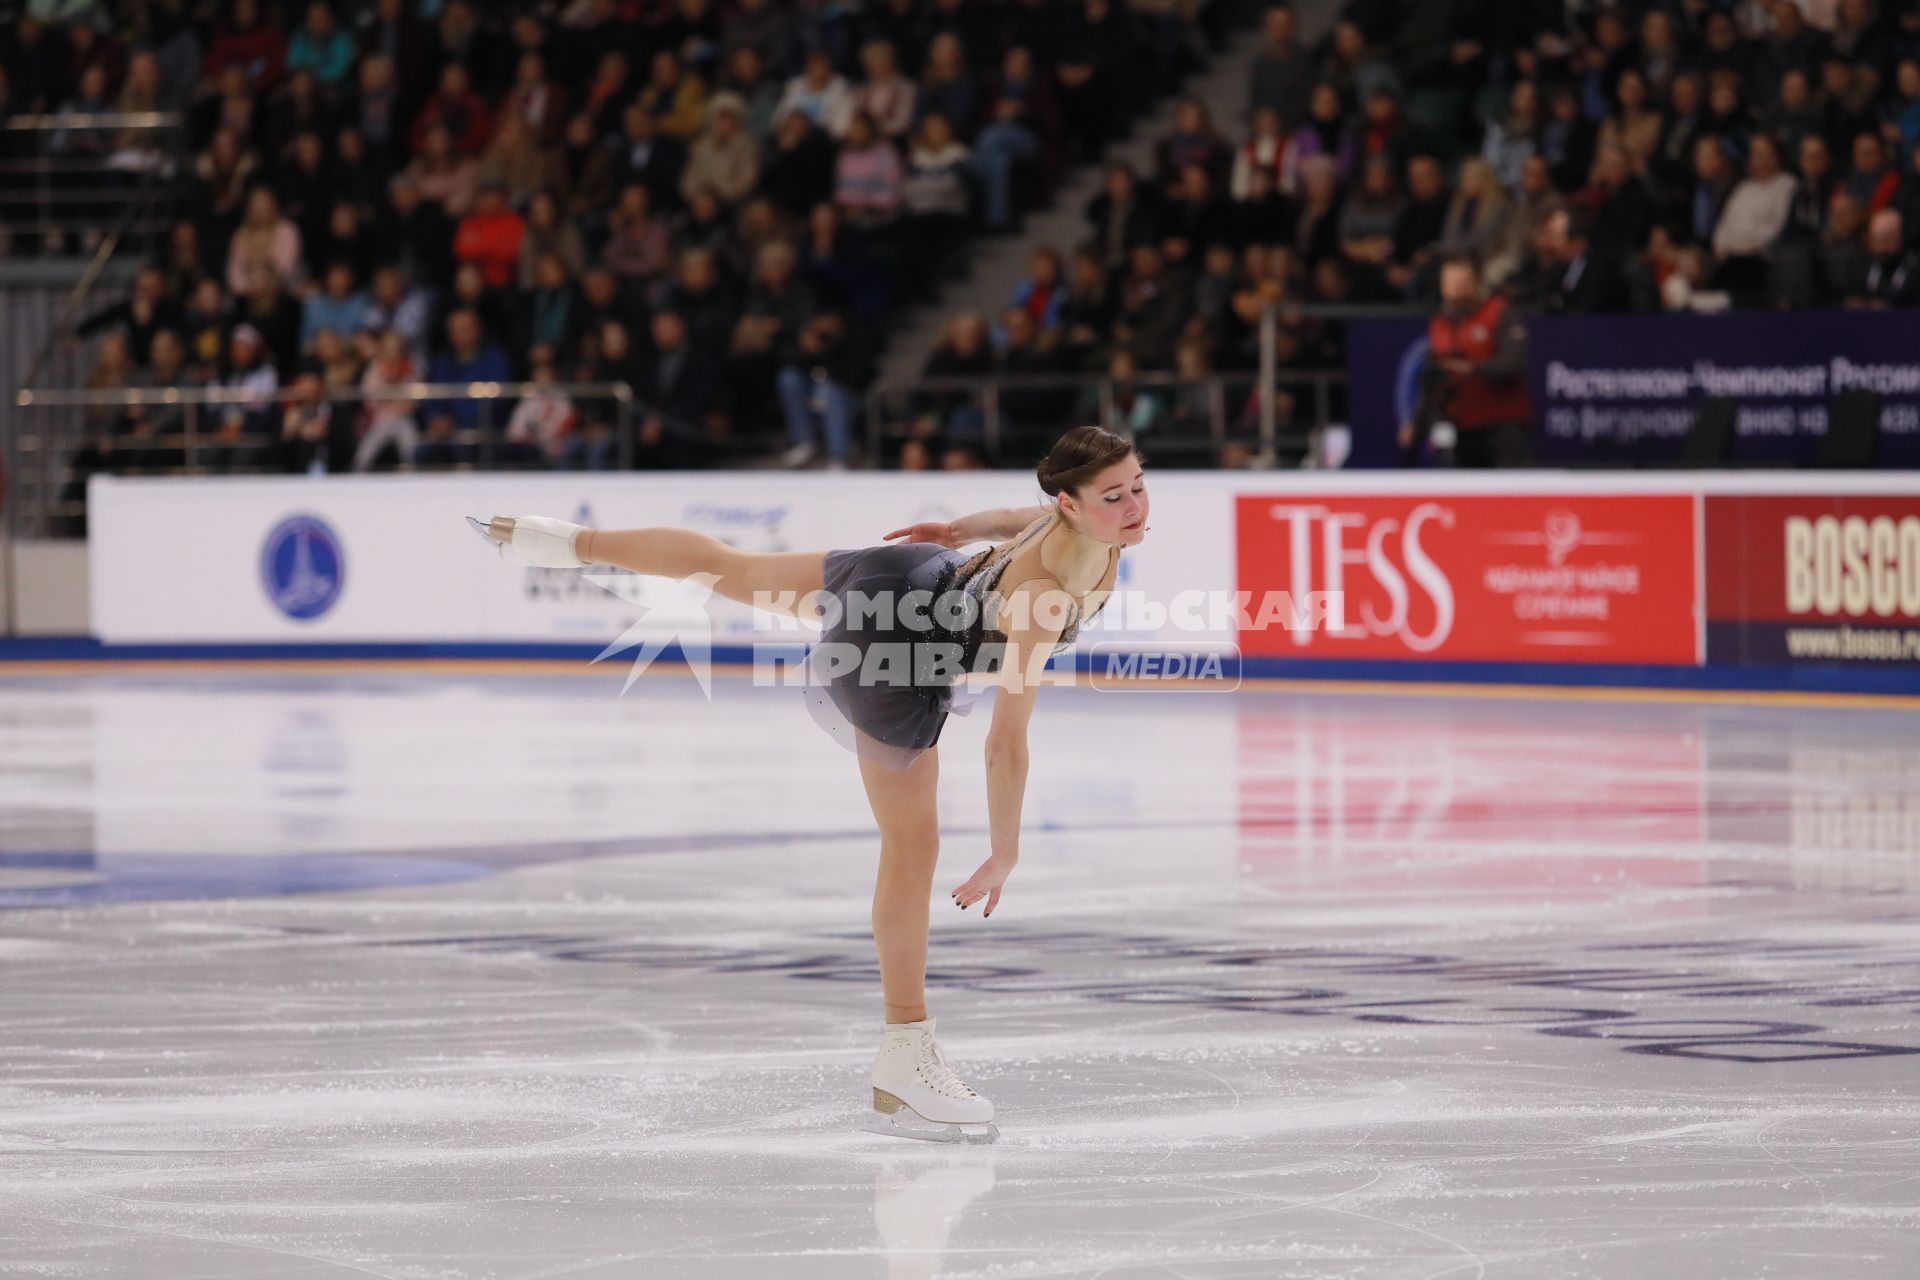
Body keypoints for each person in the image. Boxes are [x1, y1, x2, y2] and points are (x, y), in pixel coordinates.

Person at [468, 425, 1149, 1143]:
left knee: (725, 567)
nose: (1134, 507)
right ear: (1071, 505)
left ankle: (560, 541)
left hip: (907, 574)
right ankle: (905, 1056)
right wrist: (1005, 851)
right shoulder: (1041, 594)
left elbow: (1023, 517)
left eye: (1137, 486)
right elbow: (1005, 745)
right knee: (913, 848)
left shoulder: (1089, 527)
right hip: (893, 653)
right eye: (1114, 496)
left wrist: (957, 529)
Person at [1401, 255, 1533, 468]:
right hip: (1462, 426)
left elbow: (1514, 362)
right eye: (1450, 284)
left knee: (1511, 491)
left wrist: (1470, 368)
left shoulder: (1499, 312)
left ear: (1476, 283)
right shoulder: (1441, 322)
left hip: (1502, 425)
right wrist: (1417, 426)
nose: (1456, 291)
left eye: (1462, 283)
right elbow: (1434, 380)